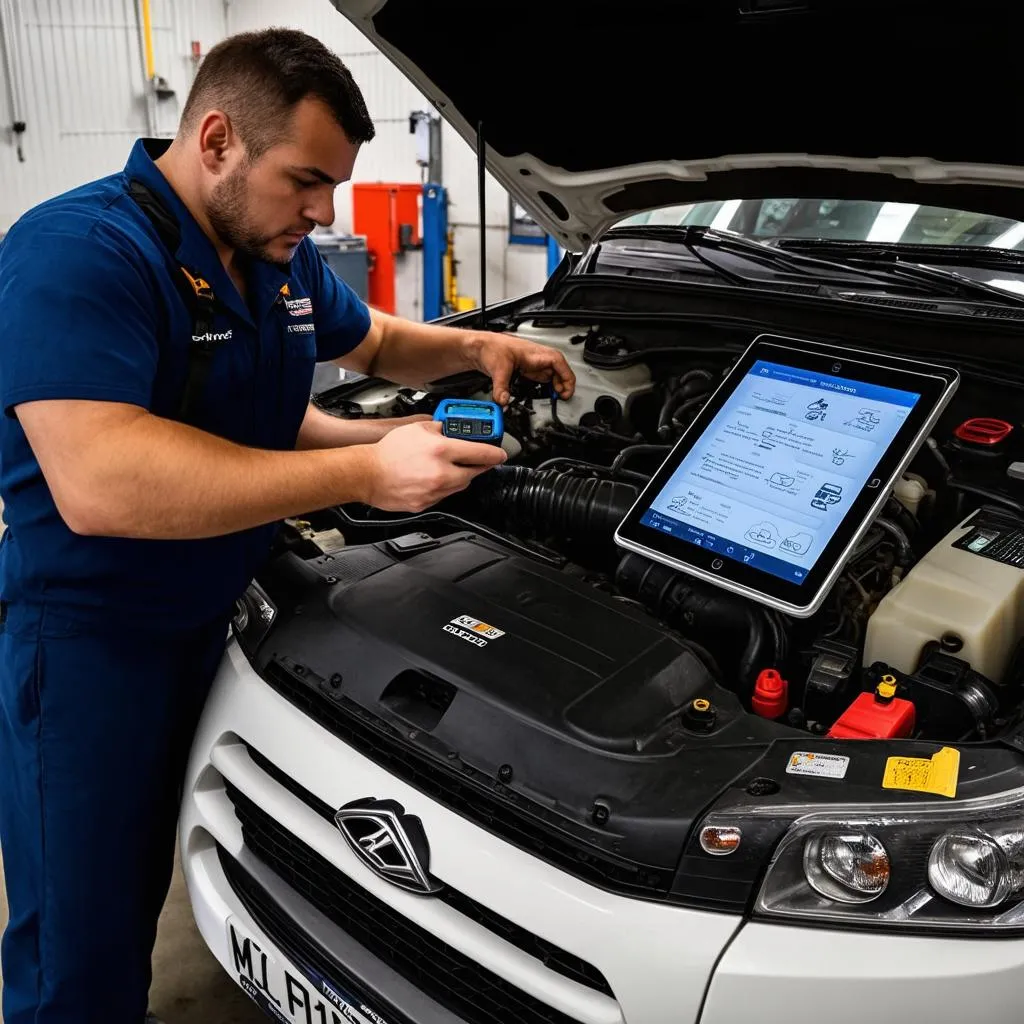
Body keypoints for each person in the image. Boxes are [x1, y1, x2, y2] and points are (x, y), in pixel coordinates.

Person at [0, 27, 575, 1024]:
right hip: (96, 648)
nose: (322, 211)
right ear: (217, 138)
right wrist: (364, 467)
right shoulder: (81, 253)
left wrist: (481, 349)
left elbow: (380, 341)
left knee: (201, 857)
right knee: (81, 950)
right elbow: (98, 480)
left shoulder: (277, 256)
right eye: (305, 179)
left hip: (225, 613)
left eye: (334, 188)